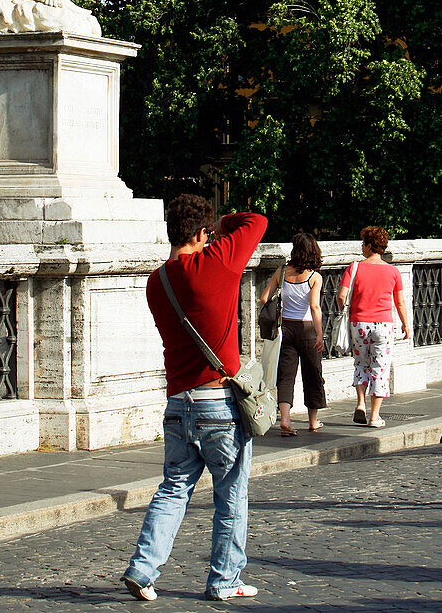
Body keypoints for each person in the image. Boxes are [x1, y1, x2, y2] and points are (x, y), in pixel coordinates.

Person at [121, 194, 267, 602]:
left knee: (173, 487)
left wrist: (212, 228)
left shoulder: (157, 280)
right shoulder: (217, 261)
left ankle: (142, 568)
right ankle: (224, 580)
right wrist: (224, 222)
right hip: (218, 403)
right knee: (231, 495)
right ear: (203, 234)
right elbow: (256, 221)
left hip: (177, 404)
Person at [337, 226, 410, 428]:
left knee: (360, 363)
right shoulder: (393, 271)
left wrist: (348, 310)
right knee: (380, 368)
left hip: (359, 323)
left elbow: (341, 296)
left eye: (363, 244)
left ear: (369, 245)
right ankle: (374, 416)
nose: (362, 247)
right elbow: (400, 302)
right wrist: (405, 323)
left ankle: (360, 403)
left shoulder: (355, 268)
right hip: (384, 325)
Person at [260, 232, 326, 435]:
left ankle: (286, 420)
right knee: (312, 373)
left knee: (286, 376)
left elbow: (264, 298)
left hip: (285, 328)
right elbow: (314, 307)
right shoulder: (315, 277)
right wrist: (319, 334)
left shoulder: (281, 272)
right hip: (306, 328)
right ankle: (313, 421)